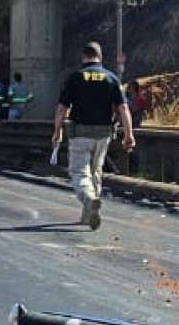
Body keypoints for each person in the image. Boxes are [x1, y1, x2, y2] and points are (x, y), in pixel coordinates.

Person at [51, 40, 136, 230]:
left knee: (79, 172)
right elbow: (123, 109)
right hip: (103, 134)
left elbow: (61, 109)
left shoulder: (75, 78)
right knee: (95, 172)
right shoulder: (112, 78)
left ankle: (89, 198)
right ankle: (88, 215)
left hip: (80, 133)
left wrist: (57, 131)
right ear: (100, 57)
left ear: (83, 57)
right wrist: (129, 135)